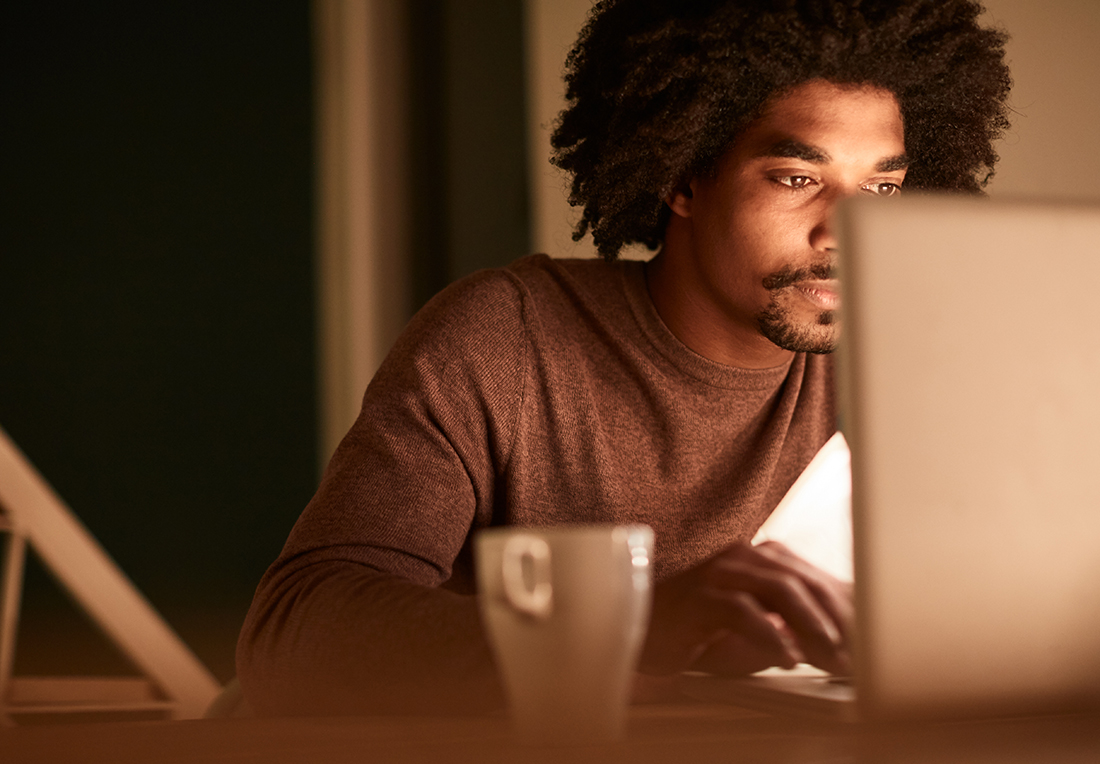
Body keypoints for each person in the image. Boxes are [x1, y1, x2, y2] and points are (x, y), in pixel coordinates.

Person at [237, 0, 1011, 715]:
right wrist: (623, 632)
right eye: (797, 178)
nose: (845, 233)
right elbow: (293, 628)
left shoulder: (905, 366)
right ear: (682, 178)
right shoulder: (506, 337)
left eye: (879, 189)